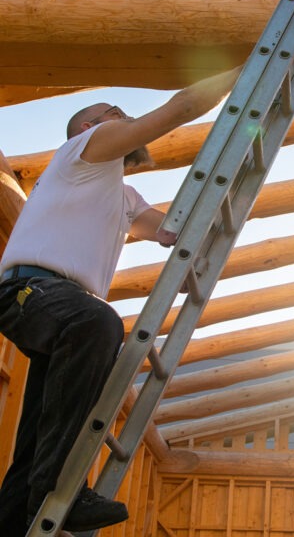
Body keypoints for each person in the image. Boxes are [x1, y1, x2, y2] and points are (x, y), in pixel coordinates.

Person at [0, 67, 240, 535]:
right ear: (91, 129)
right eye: (112, 113)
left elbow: (167, 229)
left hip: (60, 306)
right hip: (30, 292)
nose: (122, 117)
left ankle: (16, 514)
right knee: (99, 324)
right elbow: (180, 108)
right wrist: (242, 72)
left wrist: (216, 218)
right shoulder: (85, 152)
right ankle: (58, 488)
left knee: (35, 434)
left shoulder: (122, 194)